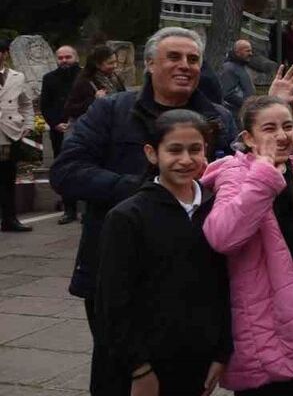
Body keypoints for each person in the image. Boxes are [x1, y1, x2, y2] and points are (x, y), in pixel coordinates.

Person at [52, 27, 236, 392]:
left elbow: (232, 183)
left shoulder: (219, 118)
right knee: (118, 375)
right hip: (117, 269)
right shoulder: (112, 110)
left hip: (192, 276)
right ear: (149, 64)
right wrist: (144, 192)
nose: (185, 66)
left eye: (193, 59)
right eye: (174, 57)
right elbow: (67, 170)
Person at [200, 96, 293, 395]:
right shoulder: (236, 173)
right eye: (269, 128)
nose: (281, 136)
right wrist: (264, 175)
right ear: (248, 138)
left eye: (288, 126)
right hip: (269, 320)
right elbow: (222, 236)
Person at [94, 109, 232, 396]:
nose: (185, 159)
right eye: (174, 150)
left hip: (196, 360)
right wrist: (139, 369)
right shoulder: (128, 217)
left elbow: (224, 286)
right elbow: (112, 302)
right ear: (152, 153)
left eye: (195, 149)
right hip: (142, 367)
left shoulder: (217, 210)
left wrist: (221, 352)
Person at [41, 45, 80, 224]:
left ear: (76, 58)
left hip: (84, 129)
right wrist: (55, 123)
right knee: (64, 169)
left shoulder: (85, 76)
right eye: (61, 58)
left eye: (68, 57)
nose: (64, 61)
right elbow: (45, 105)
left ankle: (88, 208)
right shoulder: (49, 79)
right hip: (59, 131)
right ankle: (69, 209)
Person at [0, 39, 35, 232]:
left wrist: (28, 124)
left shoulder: (17, 77)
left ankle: (9, 219)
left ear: (4, 54)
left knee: (7, 178)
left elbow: (26, 103)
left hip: (9, 133)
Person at [63, 45, 128, 125]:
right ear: (97, 64)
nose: (115, 66)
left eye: (115, 62)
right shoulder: (84, 82)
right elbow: (70, 109)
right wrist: (94, 100)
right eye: (110, 63)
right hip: (93, 129)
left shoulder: (115, 78)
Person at [220, 39, 257, 122]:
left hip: (245, 112)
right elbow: (228, 93)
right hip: (235, 115)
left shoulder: (242, 67)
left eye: (251, 51)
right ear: (237, 52)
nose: (250, 54)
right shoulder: (229, 69)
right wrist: (247, 104)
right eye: (247, 51)